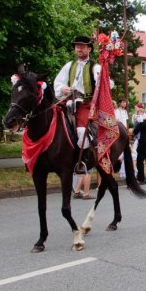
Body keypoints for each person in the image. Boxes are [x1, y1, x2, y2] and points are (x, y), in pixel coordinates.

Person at [54, 36, 101, 196]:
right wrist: (63, 88)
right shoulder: (69, 65)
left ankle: (83, 162)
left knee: (82, 134)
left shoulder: (95, 67)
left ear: (89, 49)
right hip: (67, 102)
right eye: (77, 47)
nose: (79, 49)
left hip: (85, 104)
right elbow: (58, 82)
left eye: (82, 47)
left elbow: (103, 83)